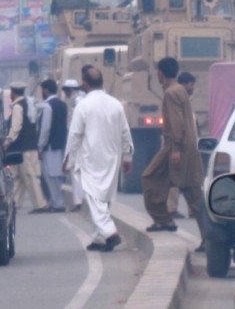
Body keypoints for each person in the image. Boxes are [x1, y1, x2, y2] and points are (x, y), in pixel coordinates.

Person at [64, 67, 134, 252]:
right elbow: (125, 132)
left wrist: (69, 160)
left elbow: (75, 135)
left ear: (85, 84)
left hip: (91, 158)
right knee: (104, 198)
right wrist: (127, 156)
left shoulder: (83, 105)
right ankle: (99, 238)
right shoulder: (116, 104)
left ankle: (111, 233)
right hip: (112, 157)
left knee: (95, 198)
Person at [141, 58, 205, 252]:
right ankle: (165, 220)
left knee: (153, 179)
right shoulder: (179, 90)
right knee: (192, 194)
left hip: (177, 149)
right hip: (183, 148)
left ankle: (165, 219)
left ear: (161, 73)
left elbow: (176, 124)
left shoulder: (171, 93)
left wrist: (176, 149)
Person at [3, 81, 49, 213]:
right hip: (29, 146)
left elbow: (16, 127)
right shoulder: (29, 104)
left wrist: (7, 142)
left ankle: (40, 205)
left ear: (13, 92)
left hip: (23, 148)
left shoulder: (18, 107)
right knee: (20, 178)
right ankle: (14, 204)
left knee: (29, 177)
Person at [167, 71, 197, 220]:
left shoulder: (186, 101)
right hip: (179, 147)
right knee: (175, 178)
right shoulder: (175, 98)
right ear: (185, 84)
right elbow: (177, 125)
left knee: (190, 179)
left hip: (188, 147)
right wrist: (176, 148)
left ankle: (193, 209)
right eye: (191, 85)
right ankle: (171, 209)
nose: (192, 88)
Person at [38, 79, 68, 212]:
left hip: (50, 146)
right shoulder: (63, 104)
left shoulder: (47, 106)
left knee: (50, 175)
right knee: (57, 174)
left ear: (46, 90)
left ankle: (58, 203)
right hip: (60, 143)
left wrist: (40, 145)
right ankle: (57, 202)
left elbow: (45, 128)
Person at [61, 78, 86, 212]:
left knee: (75, 170)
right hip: (80, 139)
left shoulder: (78, 102)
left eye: (66, 91)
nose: (65, 94)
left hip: (79, 140)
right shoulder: (76, 101)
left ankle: (78, 202)